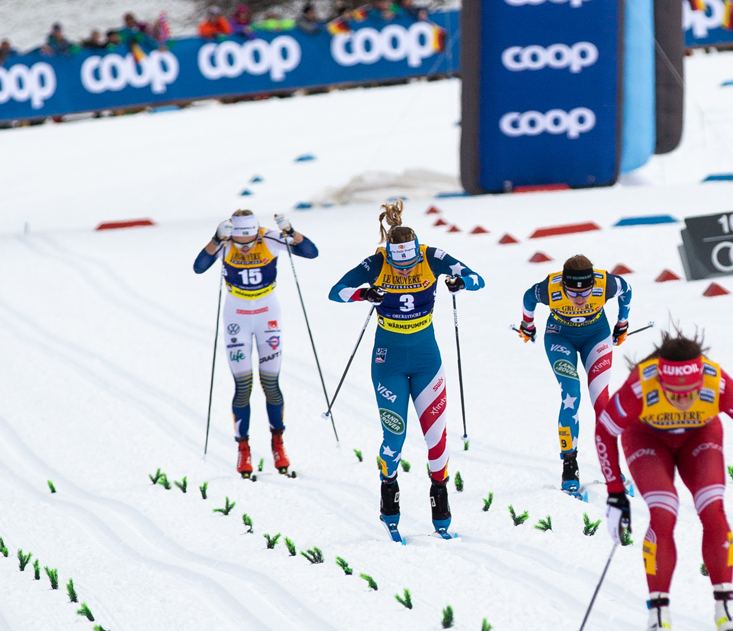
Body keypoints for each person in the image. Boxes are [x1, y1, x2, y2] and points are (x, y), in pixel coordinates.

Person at [594, 327, 733, 631]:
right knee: (663, 511)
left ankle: (725, 609)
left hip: (699, 438)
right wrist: (615, 493)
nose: (684, 399)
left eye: (691, 392)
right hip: (647, 439)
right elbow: (605, 430)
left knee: (713, 508)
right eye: (674, 393)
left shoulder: (717, 382)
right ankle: (658, 615)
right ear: (661, 380)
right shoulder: (640, 386)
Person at [328, 201, 484, 541]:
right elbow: (334, 292)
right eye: (398, 266)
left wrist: (460, 284)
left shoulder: (432, 256)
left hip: (427, 358)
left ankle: (440, 504)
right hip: (388, 359)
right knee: (394, 437)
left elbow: (477, 278)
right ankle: (389, 497)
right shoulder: (377, 262)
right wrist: (364, 293)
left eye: (410, 265)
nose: (404, 272)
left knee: (436, 438)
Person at [193, 209, 318, 478]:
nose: (246, 249)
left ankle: (278, 444)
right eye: (240, 244)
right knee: (243, 386)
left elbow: (310, 252)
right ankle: (243, 449)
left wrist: (290, 231)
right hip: (236, 316)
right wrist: (216, 239)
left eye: (249, 243)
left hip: (267, 315)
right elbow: (199, 267)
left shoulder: (269, 239)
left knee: (271, 384)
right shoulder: (225, 242)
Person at [515, 255, 632, 497]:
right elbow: (528, 296)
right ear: (564, 286)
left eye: (585, 293)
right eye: (573, 293)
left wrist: (622, 324)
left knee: (601, 401)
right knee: (571, 392)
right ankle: (570, 464)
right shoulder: (549, 288)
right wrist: (528, 324)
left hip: (596, 336)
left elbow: (627, 290)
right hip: (560, 337)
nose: (579, 298)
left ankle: (611, 465)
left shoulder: (606, 284)